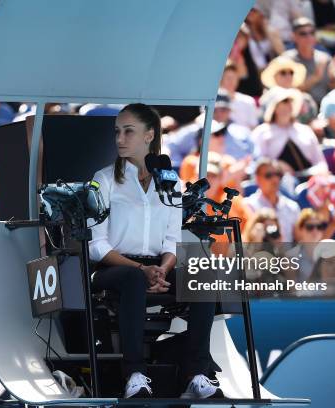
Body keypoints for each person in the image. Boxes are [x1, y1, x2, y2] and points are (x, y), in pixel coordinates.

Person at [89, 103, 223, 399]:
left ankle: (197, 374)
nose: (120, 139)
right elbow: (96, 246)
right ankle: (135, 375)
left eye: (128, 131)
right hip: (112, 270)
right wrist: (142, 270)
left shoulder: (170, 182)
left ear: (150, 135)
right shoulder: (103, 179)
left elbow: (173, 239)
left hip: (157, 267)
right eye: (117, 132)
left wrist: (162, 268)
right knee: (134, 280)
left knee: (202, 278)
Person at [252, 88, 327, 178]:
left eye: (290, 101)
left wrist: (319, 172)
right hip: (278, 180)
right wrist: (276, 166)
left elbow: (320, 161)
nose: (288, 105)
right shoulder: (261, 132)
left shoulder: (305, 130)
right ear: (274, 107)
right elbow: (258, 162)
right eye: (284, 101)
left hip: (310, 178)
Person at [244, 158, 301, 242]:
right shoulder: (248, 206)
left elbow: (300, 239)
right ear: (257, 179)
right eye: (269, 175)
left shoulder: (292, 207)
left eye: (278, 174)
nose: (275, 179)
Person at [283, 17, 334, 106]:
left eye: (312, 33)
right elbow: (288, 90)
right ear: (294, 36)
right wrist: (316, 77)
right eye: (303, 33)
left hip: (325, 107)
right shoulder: (287, 60)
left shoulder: (325, 58)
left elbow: (333, 88)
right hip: (299, 108)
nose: (309, 37)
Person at [259, 55, 318, 125]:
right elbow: (263, 121)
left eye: (291, 72)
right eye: (283, 73)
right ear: (274, 77)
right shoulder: (267, 99)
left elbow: (313, 120)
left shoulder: (306, 99)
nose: (288, 76)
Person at [219, 62, 259, 129]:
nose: (231, 81)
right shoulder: (211, 101)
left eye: (234, 78)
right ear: (220, 79)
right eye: (228, 78)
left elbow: (253, 127)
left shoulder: (248, 101)